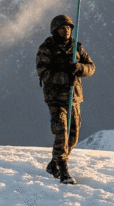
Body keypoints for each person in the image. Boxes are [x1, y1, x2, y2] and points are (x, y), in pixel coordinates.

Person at [35, 14, 94, 185]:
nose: (67, 30)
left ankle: (53, 164)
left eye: (69, 27)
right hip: (55, 98)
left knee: (73, 136)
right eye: (63, 27)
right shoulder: (47, 49)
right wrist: (64, 77)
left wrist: (80, 68)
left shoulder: (77, 47)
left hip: (73, 98)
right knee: (61, 130)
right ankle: (63, 169)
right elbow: (43, 72)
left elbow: (91, 67)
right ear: (55, 30)